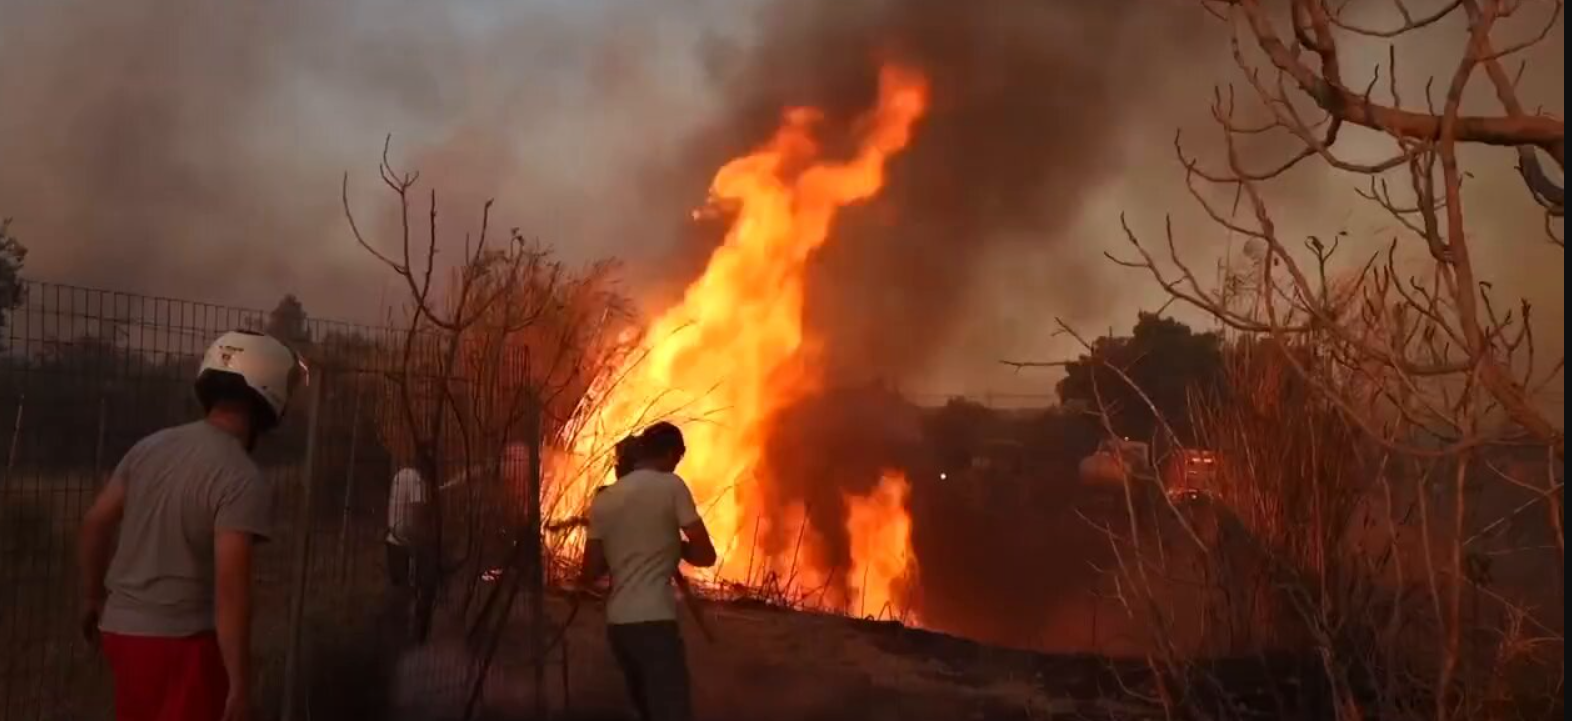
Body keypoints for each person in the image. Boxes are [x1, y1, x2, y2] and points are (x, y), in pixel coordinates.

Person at [78, 330, 303, 721]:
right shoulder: (240, 477)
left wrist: (93, 597)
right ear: (270, 396)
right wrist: (239, 686)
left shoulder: (149, 446)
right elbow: (231, 592)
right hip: (182, 644)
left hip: (121, 634)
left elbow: (95, 522)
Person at [580, 422, 716, 721]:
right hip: (656, 623)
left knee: (644, 711)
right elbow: (706, 555)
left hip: (618, 627)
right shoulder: (671, 486)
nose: (675, 465)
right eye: (677, 458)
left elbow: (589, 571)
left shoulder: (605, 498)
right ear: (670, 454)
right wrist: (677, 549)